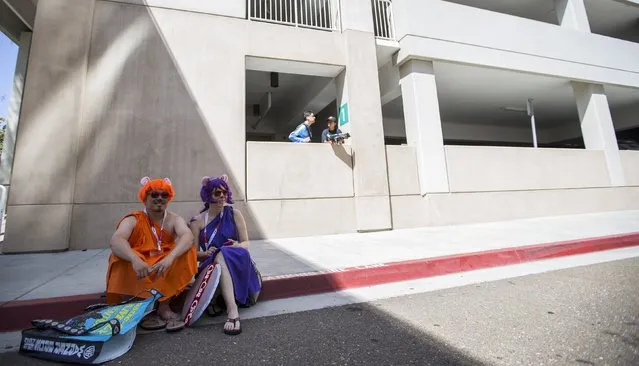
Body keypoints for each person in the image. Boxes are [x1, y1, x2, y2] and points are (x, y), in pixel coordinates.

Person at [106, 176, 197, 333]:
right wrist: (134, 259)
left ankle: (164, 307)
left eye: (164, 195)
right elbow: (116, 240)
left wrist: (170, 258)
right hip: (141, 266)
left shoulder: (174, 219)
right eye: (154, 195)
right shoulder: (133, 219)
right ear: (145, 197)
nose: (159, 198)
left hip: (163, 263)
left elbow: (188, 237)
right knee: (119, 257)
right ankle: (144, 310)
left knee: (186, 252)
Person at [189, 175, 261, 336]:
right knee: (219, 255)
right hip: (210, 263)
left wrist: (237, 245)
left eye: (224, 192)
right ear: (208, 196)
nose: (222, 196)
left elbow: (246, 243)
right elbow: (193, 254)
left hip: (235, 257)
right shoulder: (197, 221)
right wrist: (205, 253)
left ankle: (231, 310)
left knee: (223, 253)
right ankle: (228, 305)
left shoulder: (235, 213)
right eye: (217, 193)